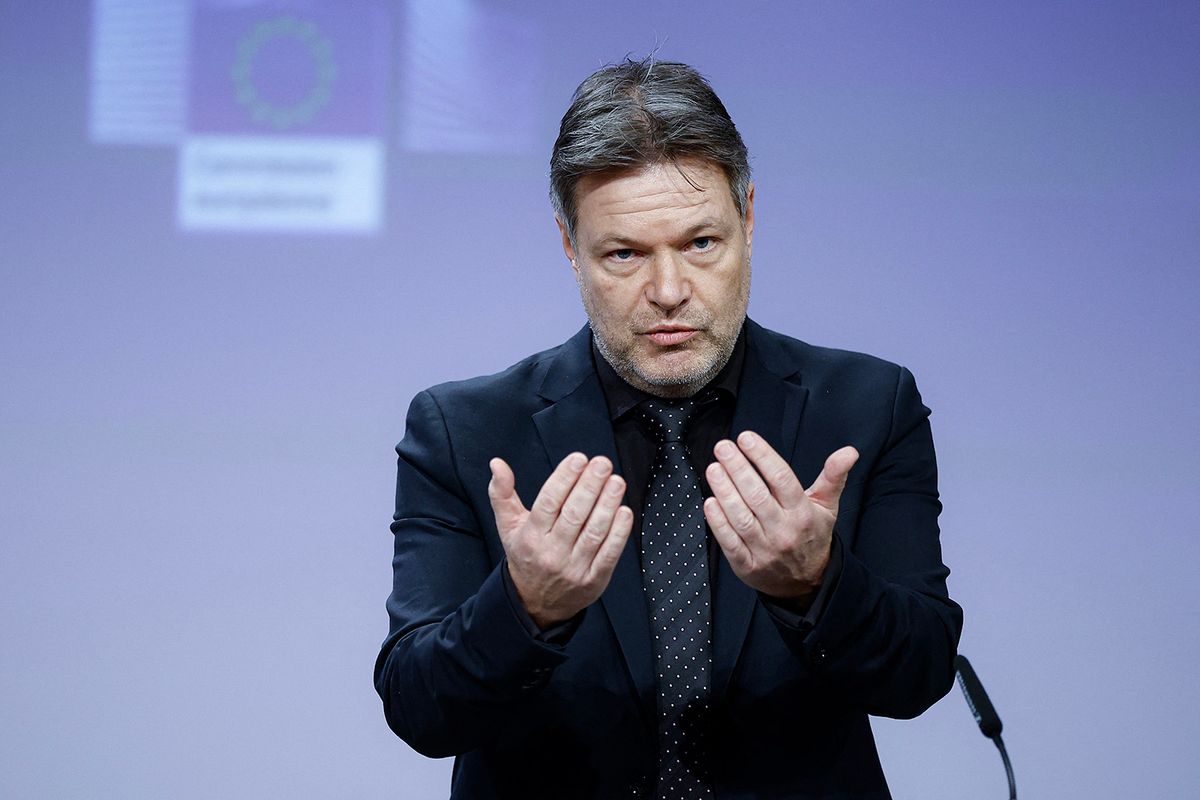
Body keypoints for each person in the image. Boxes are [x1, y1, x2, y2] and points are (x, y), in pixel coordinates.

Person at [375, 57, 962, 799]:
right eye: (624, 254)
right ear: (569, 245)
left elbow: (920, 675)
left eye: (701, 244)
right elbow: (419, 711)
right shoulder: (464, 428)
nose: (669, 292)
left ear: (748, 219)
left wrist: (819, 585)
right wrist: (524, 608)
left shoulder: (868, 405)